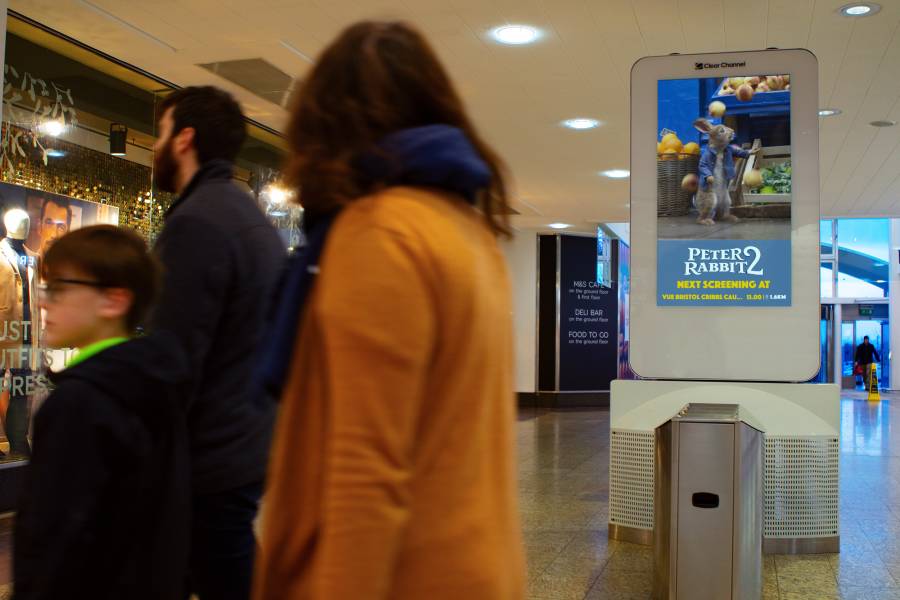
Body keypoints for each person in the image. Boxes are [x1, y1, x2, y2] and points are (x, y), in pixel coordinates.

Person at [253, 21, 525, 600]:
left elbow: (364, 471)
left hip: (404, 575)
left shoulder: (378, 233)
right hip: (472, 564)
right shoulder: (467, 232)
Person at [149, 86, 285, 600]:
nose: (155, 147)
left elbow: (174, 355)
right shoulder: (247, 216)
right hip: (244, 444)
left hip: (210, 458)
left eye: (160, 133)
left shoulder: (198, 223)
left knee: (225, 576)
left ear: (184, 139)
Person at [13, 225, 190, 600]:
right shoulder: (155, 382)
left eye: (60, 288)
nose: (44, 301)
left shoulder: (80, 403)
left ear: (114, 301)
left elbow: (55, 542)